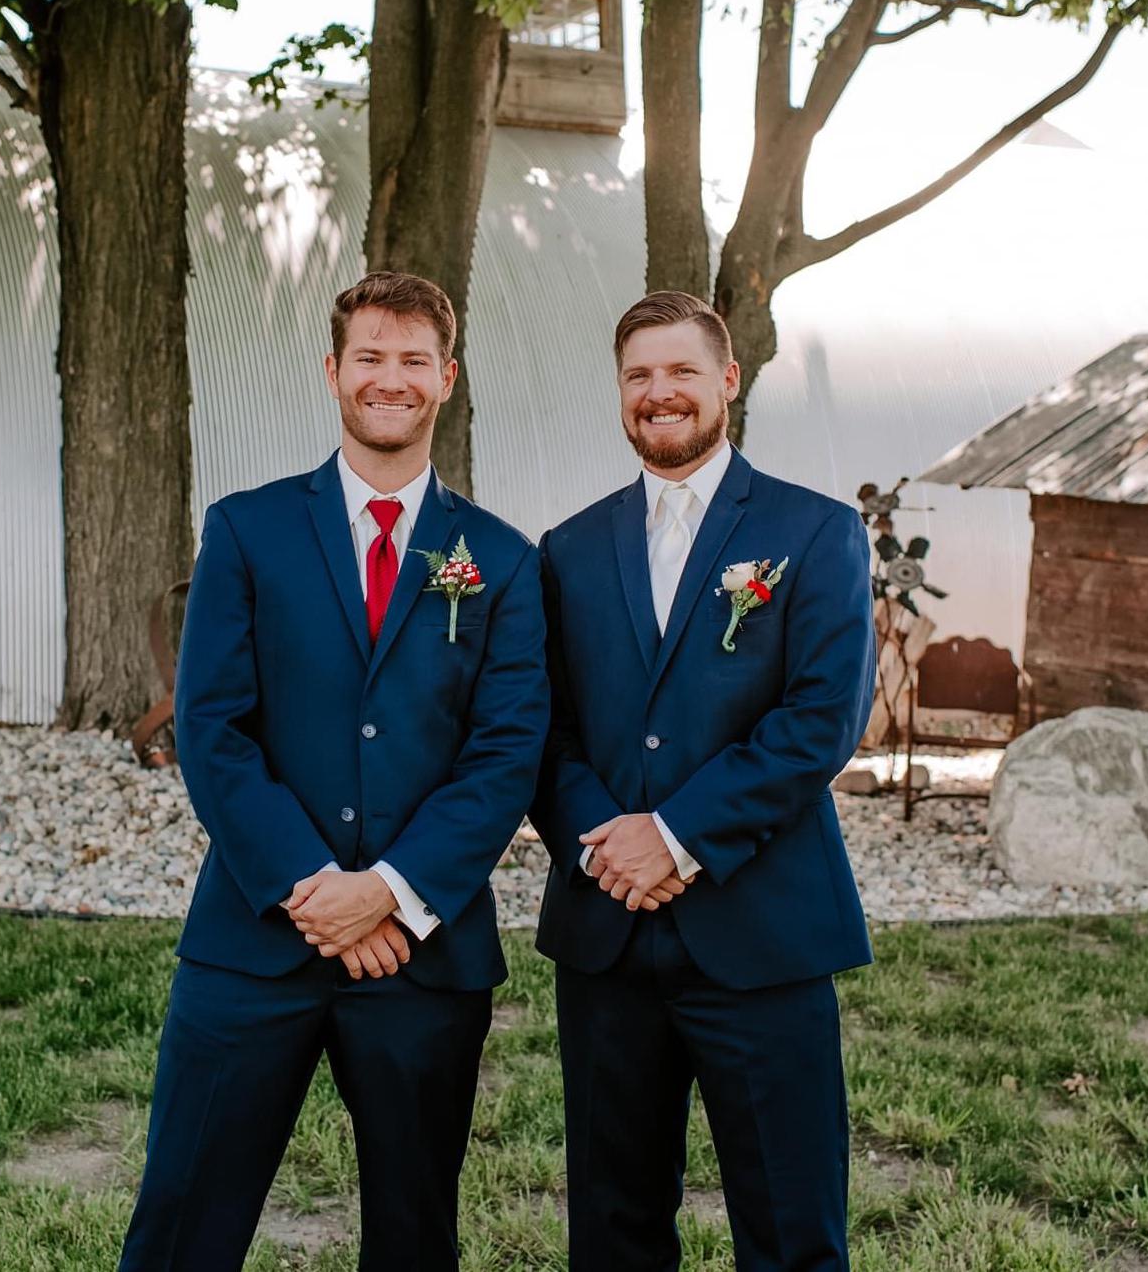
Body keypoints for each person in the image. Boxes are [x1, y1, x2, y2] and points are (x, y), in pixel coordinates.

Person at [119, 271, 549, 1272]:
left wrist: (390, 893)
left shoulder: (502, 559)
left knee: (413, 1234)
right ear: (333, 371)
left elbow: (505, 751)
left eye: (413, 360)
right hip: (255, 938)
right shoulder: (246, 531)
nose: (390, 379)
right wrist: (314, 890)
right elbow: (213, 726)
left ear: (446, 378)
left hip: (420, 957)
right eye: (370, 357)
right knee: (182, 1221)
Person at [530, 290, 875, 1272]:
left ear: (727, 380)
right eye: (638, 375)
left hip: (763, 931)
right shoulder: (567, 549)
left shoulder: (814, 533)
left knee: (791, 1231)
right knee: (613, 1230)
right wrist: (608, 847)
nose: (659, 392)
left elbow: (819, 721)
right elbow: (541, 731)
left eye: (681, 370)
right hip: (606, 935)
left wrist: (674, 836)